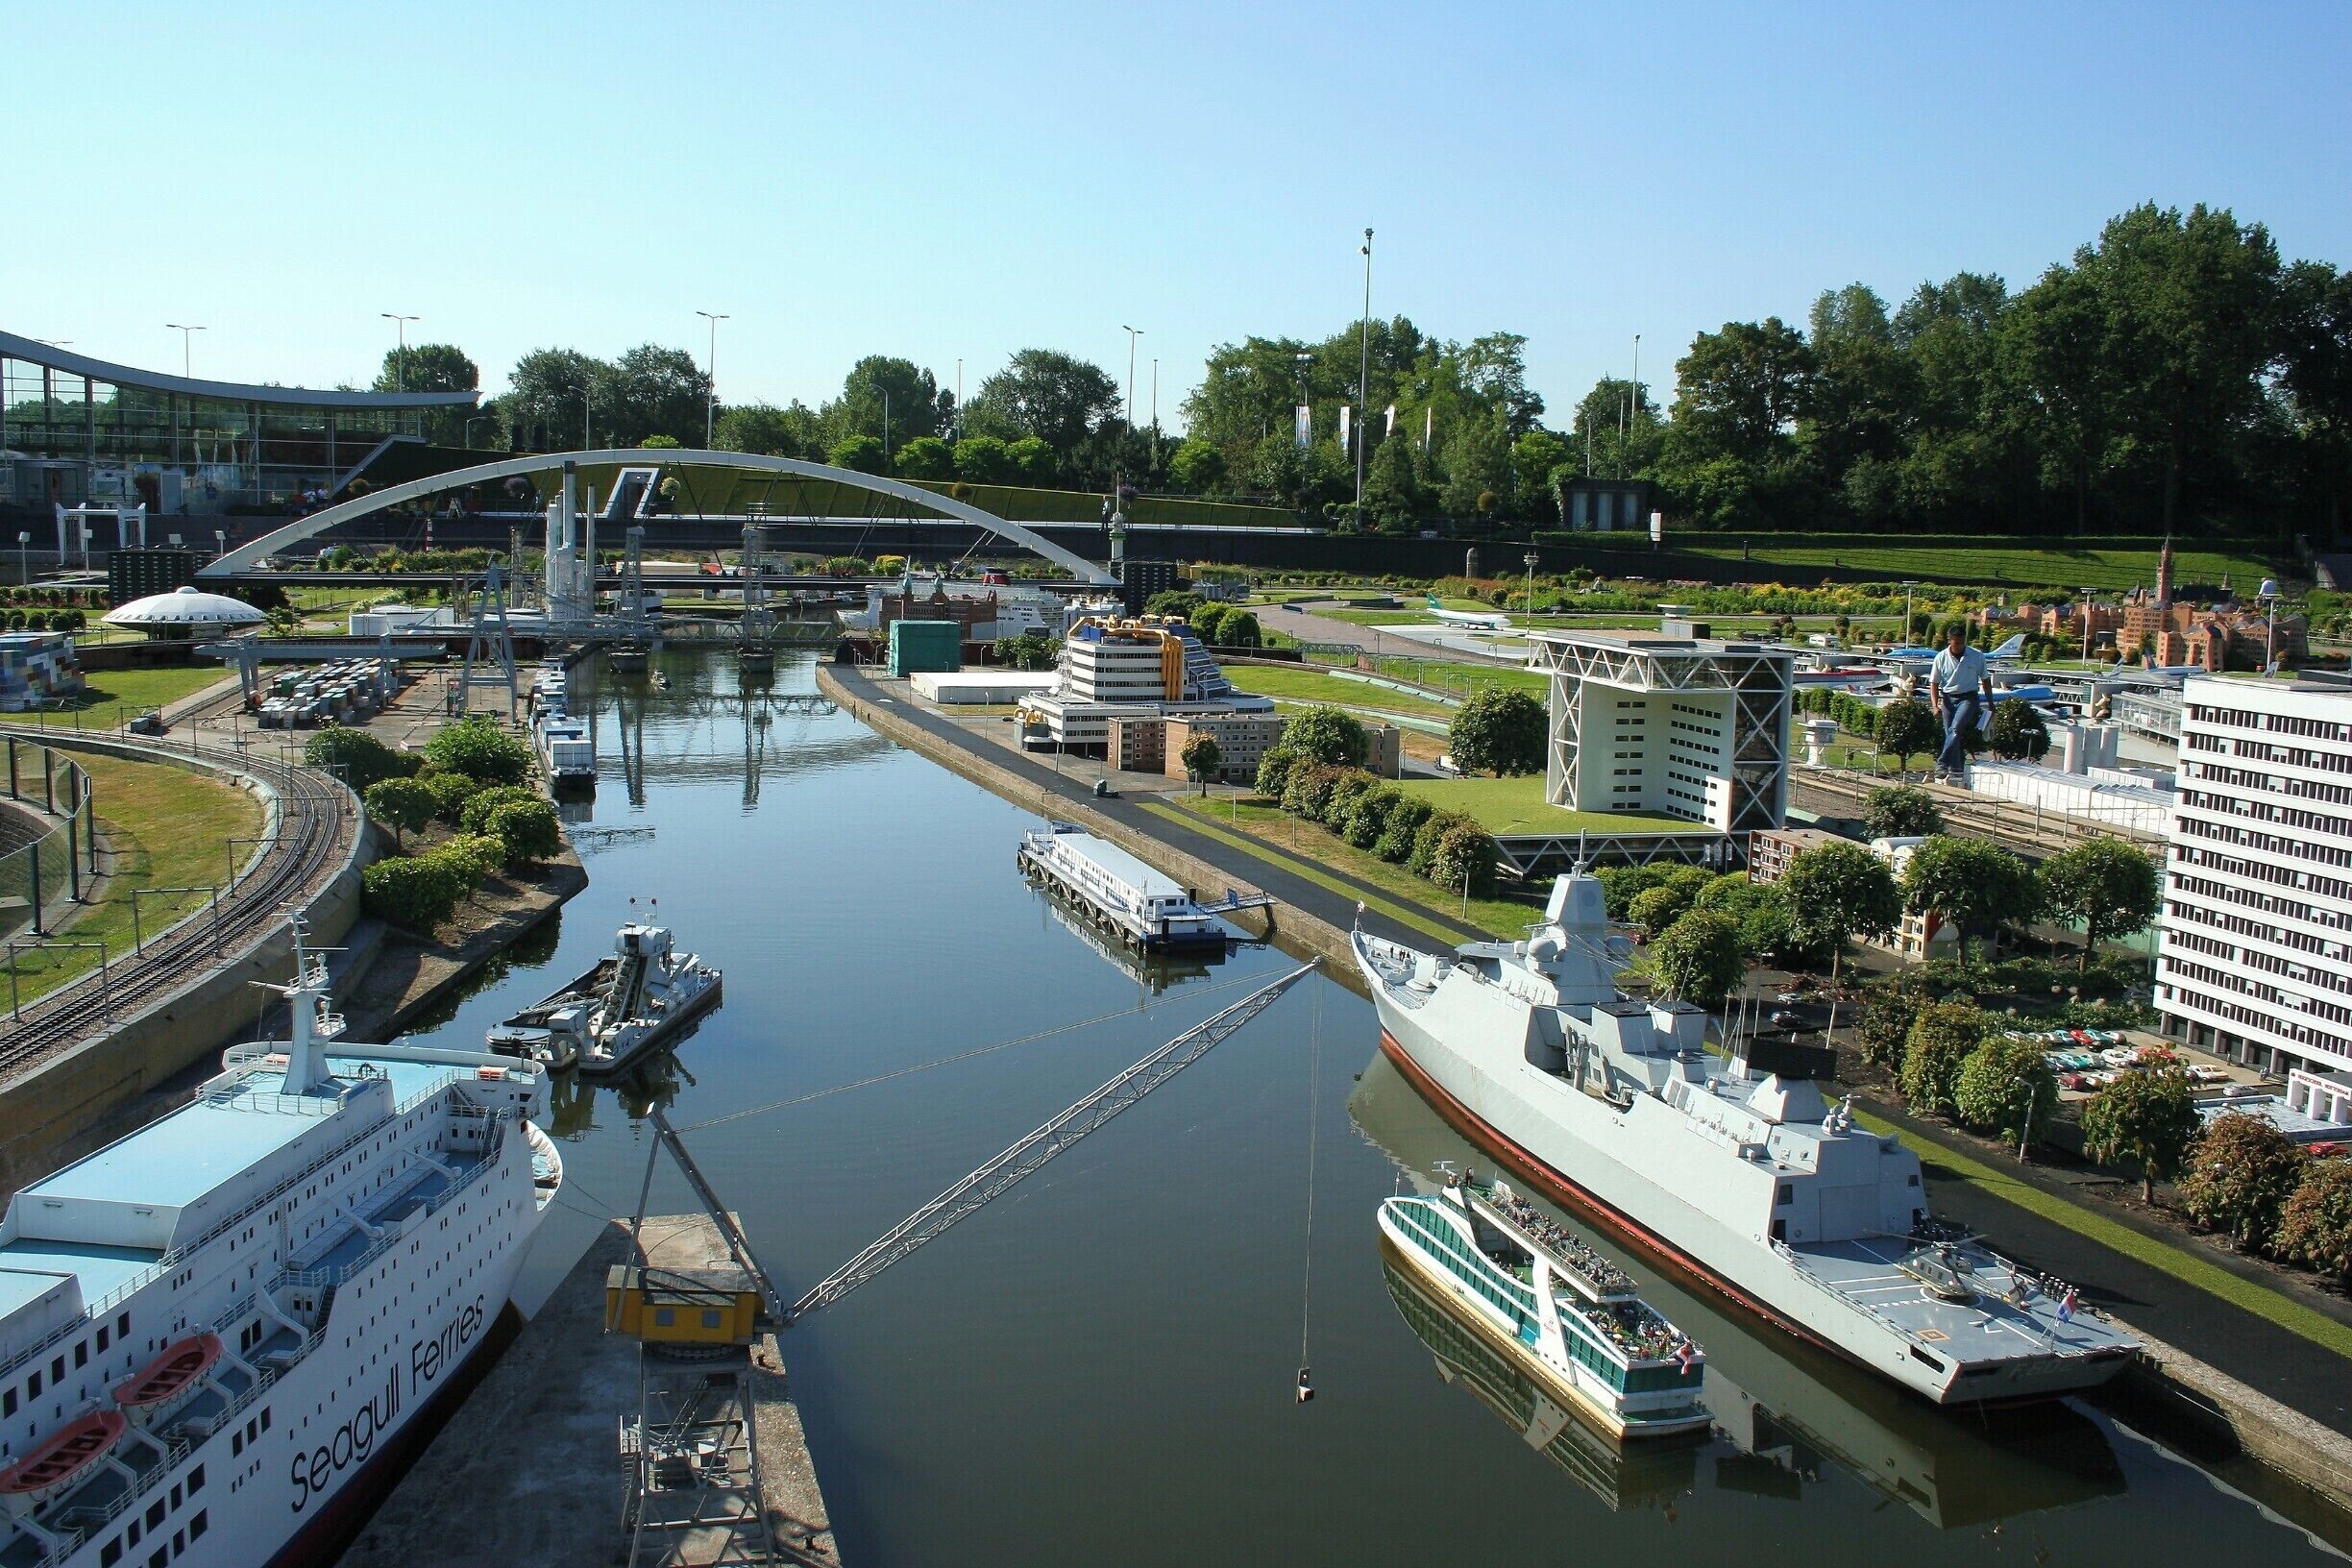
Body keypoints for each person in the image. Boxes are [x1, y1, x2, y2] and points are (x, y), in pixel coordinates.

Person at [1929, 623, 1992, 783]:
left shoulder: (1977, 656)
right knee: (1951, 734)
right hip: (1948, 698)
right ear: (1949, 641)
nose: (1959, 646)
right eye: (1955, 642)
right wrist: (1935, 705)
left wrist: (1991, 704)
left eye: (1962, 642)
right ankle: (1956, 769)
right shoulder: (1941, 658)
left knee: (1956, 729)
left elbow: (1985, 680)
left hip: (1968, 698)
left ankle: (1942, 763)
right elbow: (1934, 683)